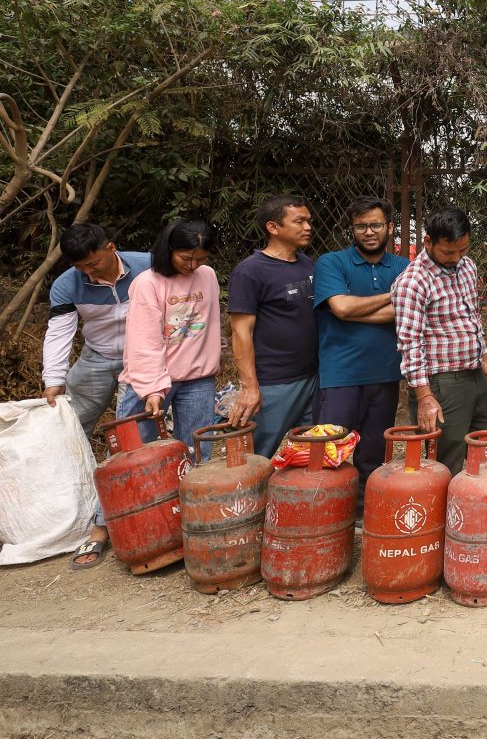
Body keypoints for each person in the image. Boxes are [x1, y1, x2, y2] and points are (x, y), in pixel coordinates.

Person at [40, 222, 150, 569]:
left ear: (111, 248)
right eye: (80, 267)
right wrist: (54, 379)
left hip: (142, 358)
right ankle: (70, 510)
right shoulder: (66, 284)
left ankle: (116, 516)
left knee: (131, 434)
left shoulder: (148, 266)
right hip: (96, 357)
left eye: (93, 263)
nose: (88, 272)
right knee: (70, 428)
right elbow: (59, 332)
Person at [393, 206, 487, 476]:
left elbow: (473, 315)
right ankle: (443, 503)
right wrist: (425, 397)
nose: (456, 258)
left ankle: (485, 498)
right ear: (428, 242)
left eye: (463, 250)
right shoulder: (412, 282)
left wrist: (484, 357)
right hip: (442, 383)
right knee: (446, 458)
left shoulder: (467, 266)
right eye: (448, 252)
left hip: (475, 373)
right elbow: (410, 344)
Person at [313, 198, 408, 492]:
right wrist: (394, 295)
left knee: (374, 457)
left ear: (389, 227)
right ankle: (329, 508)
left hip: (386, 375)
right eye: (361, 226)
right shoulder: (332, 262)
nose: (369, 232)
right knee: (330, 452)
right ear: (352, 229)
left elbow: (409, 311)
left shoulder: (404, 266)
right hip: (341, 375)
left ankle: (364, 509)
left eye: (376, 225)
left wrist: (353, 310)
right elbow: (341, 307)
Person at [116, 221, 222, 459]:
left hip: (198, 378)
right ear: (168, 250)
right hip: (151, 380)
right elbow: (144, 341)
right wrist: (152, 389)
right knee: (137, 456)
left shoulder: (207, 275)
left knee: (197, 454)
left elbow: (211, 322)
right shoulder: (147, 283)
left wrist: (216, 356)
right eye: (185, 258)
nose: (192, 265)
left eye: (200, 259)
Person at [227, 195, 318, 457]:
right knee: (256, 459)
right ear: (273, 227)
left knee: (309, 455)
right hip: (273, 383)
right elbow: (241, 332)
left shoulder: (307, 264)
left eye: (308, 221)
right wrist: (250, 387)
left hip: (312, 378)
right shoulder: (250, 271)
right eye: (299, 221)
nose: (308, 227)